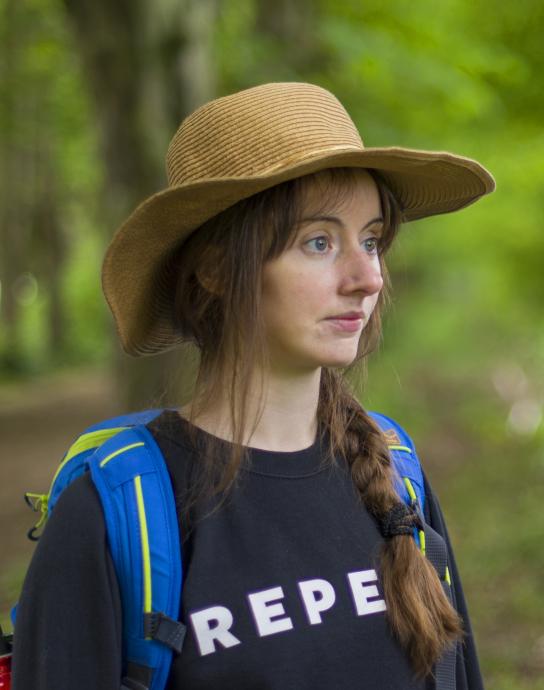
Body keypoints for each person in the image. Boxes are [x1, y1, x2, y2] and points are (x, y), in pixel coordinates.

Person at [12, 82, 494, 689]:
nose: (367, 276)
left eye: (371, 240)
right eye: (319, 242)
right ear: (215, 268)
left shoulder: (395, 479)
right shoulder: (118, 507)